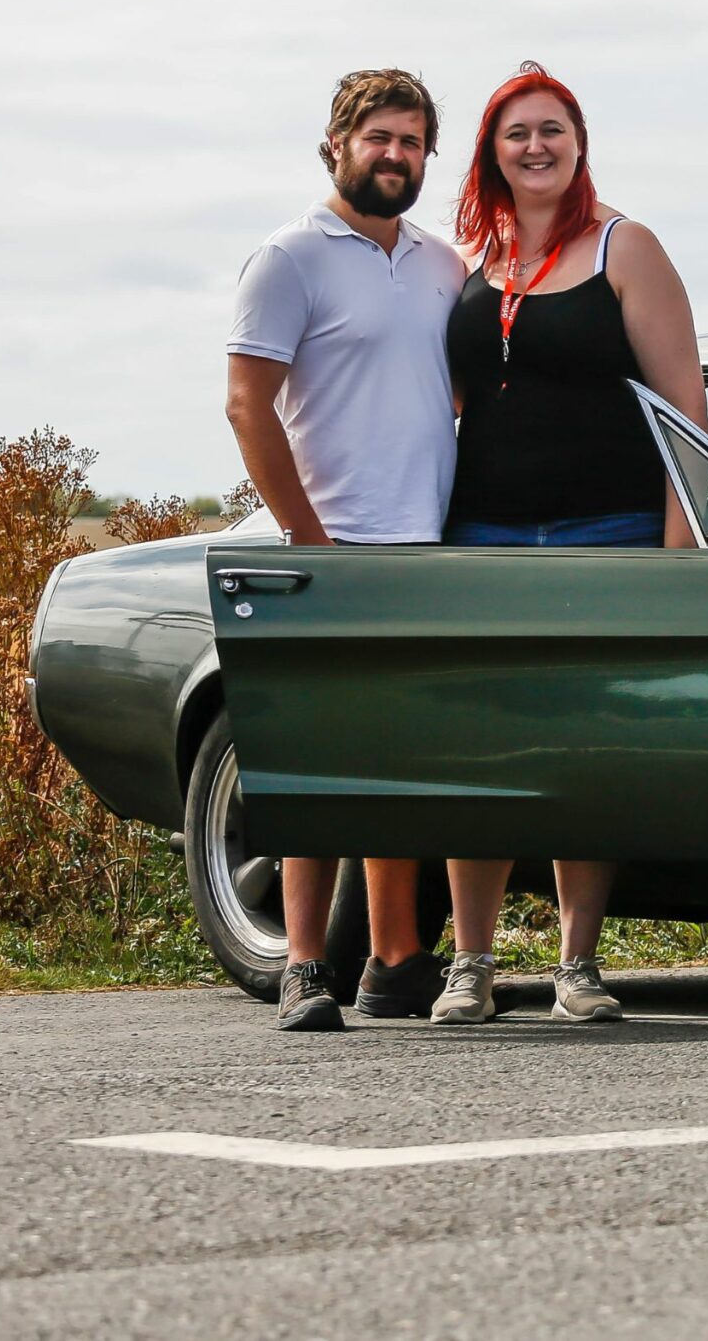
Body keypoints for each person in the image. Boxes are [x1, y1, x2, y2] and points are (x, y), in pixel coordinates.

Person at [429, 61, 708, 1026]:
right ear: (491, 153)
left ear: (580, 143)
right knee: (483, 745)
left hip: (610, 532)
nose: (536, 146)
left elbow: (687, 412)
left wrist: (680, 555)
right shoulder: (468, 260)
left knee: (586, 746)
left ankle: (577, 964)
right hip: (484, 532)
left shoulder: (626, 248)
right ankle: (468, 963)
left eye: (553, 129)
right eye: (517, 133)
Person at [224, 68, 468, 1032]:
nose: (395, 157)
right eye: (380, 139)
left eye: (412, 143)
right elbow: (248, 403)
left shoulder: (442, 265)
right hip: (328, 549)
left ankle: (397, 958)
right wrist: (305, 535)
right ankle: (304, 968)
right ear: (337, 145)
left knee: (397, 762)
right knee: (315, 765)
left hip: (427, 550)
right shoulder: (289, 258)